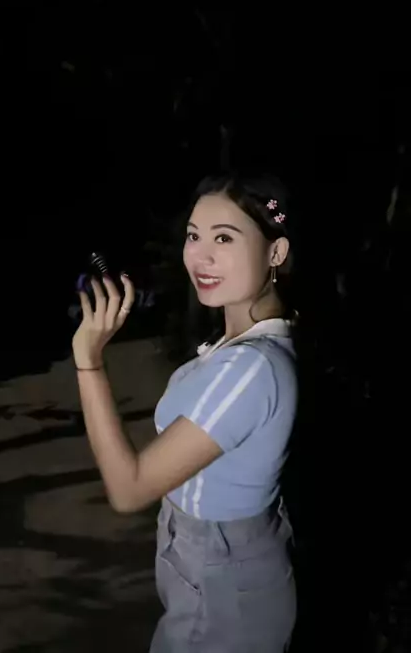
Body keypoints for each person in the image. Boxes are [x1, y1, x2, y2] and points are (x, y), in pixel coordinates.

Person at [72, 173, 299, 652]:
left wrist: (88, 361)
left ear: (275, 252)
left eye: (224, 238)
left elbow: (129, 488)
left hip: (223, 588)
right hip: (212, 566)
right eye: (194, 236)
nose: (200, 255)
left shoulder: (250, 368)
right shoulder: (239, 343)